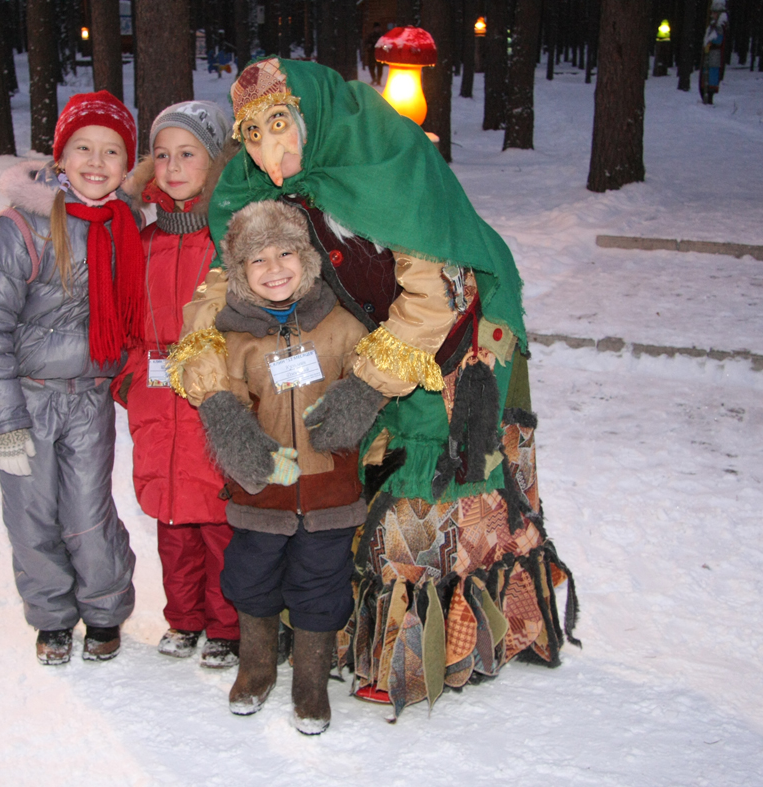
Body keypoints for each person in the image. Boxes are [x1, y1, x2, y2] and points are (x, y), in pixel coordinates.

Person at [169, 58, 578, 718]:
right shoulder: (258, 189)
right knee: (350, 482)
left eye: (280, 124)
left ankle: (429, 650)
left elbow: (438, 291)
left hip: (459, 336)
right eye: (250, 134)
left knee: (427, 483)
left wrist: (363, 390)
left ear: (311, 116)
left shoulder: (383, 156)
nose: (268, 152)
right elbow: (219, 296)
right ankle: (334, 639)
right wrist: (218, 400)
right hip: (363, 339)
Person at [0, 91, 143, 666]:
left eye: (112, 151)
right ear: (61, 157)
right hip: (29, 399)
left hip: (90, 400)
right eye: (83, 148)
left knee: (89, 512)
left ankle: (106, 609)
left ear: (126, 164)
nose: (97, 161)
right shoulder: (24, 229)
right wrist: (3, 423)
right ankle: (52, 616)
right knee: (31, 513)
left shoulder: (125, 225)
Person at [196, 199, 368, 736]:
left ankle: (311, 680)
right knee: (252, 578)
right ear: (240, 273)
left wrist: (357, 404)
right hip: (262, 492)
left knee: (322, 583)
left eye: (286, 253)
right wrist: (247, 452)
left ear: (308, 257)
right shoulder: (235, 336)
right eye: (258, 260)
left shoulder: (342, 324)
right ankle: (256, 667)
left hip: (328, 490)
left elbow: (373, 378)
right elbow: (224, 396)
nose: (275, 270)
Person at [115, 101, 241, 668]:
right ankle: (184, 618)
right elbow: (119, 321)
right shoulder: (141, 241)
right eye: (161, 155)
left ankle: (226, 625)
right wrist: (129, 382)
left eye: (187, 153)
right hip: (156, 401)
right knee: (170, 519)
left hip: (212, 401)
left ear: (215, 161)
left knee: (218, 521)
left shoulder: (229, 238)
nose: (172, 166)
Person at [700, 0, 728, 105]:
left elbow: (718, 39)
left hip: (714, 56)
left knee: (712, 76)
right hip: (711, 56)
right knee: (707, 75)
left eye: (714, 12)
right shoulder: (714, 25)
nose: (712, 15)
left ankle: (709, 96)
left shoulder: (719, 26)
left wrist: (710, 42)